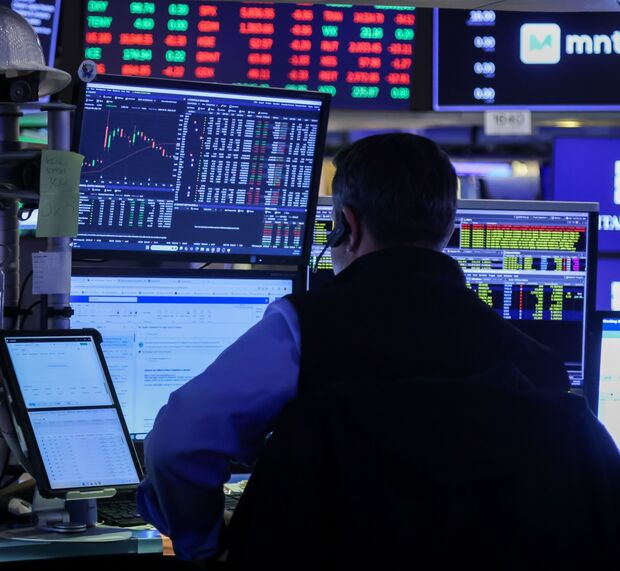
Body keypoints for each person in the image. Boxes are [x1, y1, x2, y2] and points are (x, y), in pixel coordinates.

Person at [137, 133, 569, 562]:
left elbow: (179, 443)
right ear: (451, 228)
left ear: (348, 224)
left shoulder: (301, 329)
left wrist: (203, 544)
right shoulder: (539, 370)